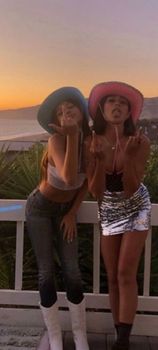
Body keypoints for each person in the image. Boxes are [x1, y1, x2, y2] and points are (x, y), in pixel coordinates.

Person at [86, 81, 151, 350]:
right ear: (102, 109)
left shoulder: (139, 142)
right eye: (111, 101)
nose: (117, 105)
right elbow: (96, 191)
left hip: (136, 204)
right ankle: (117, 333)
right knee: (112, 275)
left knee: (125, 272)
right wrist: (100, 161)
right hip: (108, 206)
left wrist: (130, 157)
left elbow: (132, 187)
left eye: (123, 103)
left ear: (129, 112)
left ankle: (123, 341)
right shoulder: (91, 143)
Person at [25, 87, 90, 350]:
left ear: (81, 111)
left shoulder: (88, 141)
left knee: (72, 271)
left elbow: (85, 184)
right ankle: (54, 336)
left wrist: (73, 212)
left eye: (69, 107)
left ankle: (80, 336)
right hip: (39, 208)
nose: (65, 113)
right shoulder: (56, 141)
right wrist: (72, 136)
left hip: (65, 211)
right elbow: (68, 178)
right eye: (60, 111)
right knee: (46, 273)